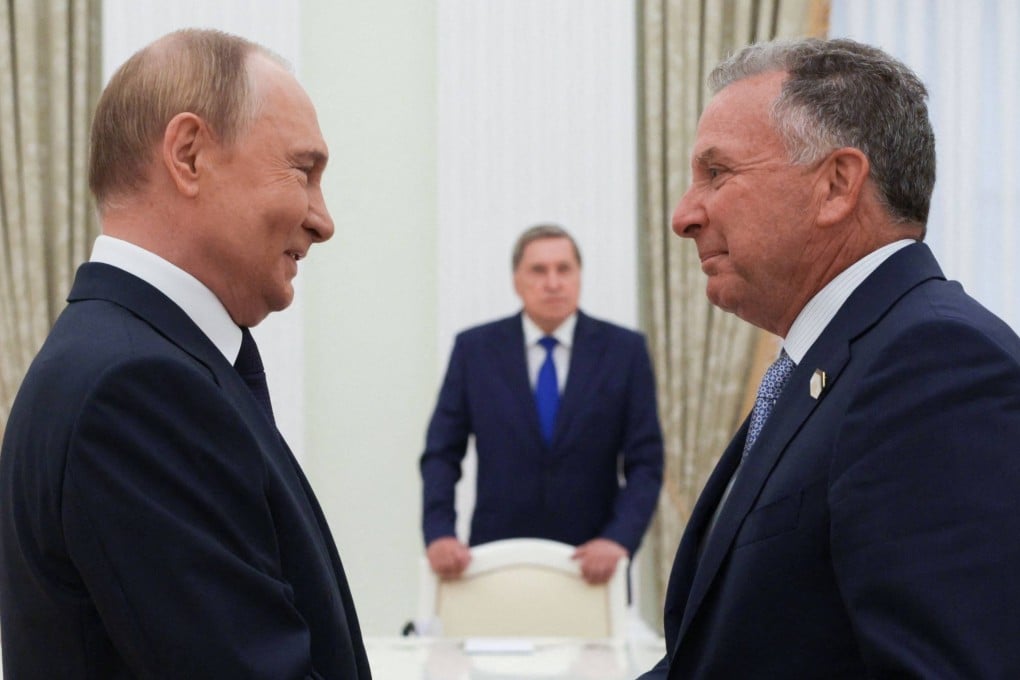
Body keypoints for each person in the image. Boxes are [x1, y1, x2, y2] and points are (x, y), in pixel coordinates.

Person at [641, 37, 1020, 679]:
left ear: (837, 185)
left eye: (718, 173)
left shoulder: (936, 366)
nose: (684, 215)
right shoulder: (835, 363)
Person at [0, 29, 372, 678]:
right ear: (189, 155)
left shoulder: (129, 357)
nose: (323, 219)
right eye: (302, 170)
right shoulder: (135, 390)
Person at [420, 224, 664, 585]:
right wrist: (440, 531)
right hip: (495, 562)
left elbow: (646, 462)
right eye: (538, 270)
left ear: (579, 276)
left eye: (563, 269)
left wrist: (618, 539)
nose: (553, 283)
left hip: (592, 565)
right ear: (516, 281)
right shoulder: (475, 351)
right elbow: (441, 452)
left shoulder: (624, 352)